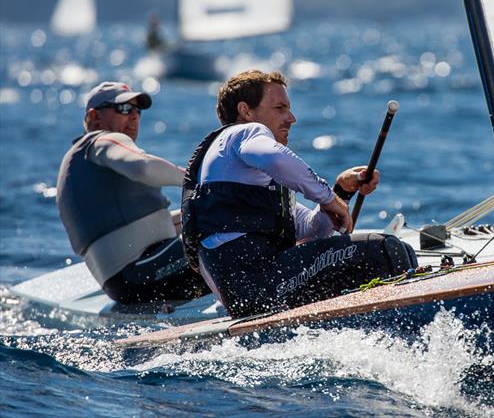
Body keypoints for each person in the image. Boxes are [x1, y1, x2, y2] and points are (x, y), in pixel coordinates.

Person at [182, 70, 417, 317]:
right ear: (246, 111)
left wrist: (340, 193)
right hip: (257, 284)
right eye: (280, 108)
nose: (291, 118)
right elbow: (274, 157)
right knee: (386, 250)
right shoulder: (242, 133)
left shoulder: (240, 178)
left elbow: (311, 230)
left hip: (257, 292)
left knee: (398, 251)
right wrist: (327, 196)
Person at [56, 81, 209, 304]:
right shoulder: (101, 140)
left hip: (129, 285)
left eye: (137, 110)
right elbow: (144, 167)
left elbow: (143, 229)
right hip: (143, 272)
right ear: (94, 117)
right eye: (124, 109)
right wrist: (203, 182)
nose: (134, 116)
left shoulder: (84, 164)